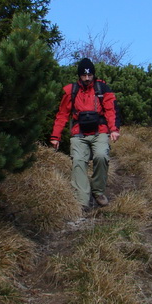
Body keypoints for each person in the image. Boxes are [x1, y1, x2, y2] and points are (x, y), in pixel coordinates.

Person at [50, 58, 121, 210]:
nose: (87, 78)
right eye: (84, 75)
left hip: (99, 131)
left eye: (90, 75)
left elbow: (111, 110)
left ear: (94, 75)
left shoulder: (102, 89)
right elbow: (62, 114)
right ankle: (82, 200)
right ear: (79, 76)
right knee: (78, 162)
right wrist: (55, 137)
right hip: (79, 133)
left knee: (101, 156)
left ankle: (98, 191)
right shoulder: (71, 91)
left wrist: (114, 129)